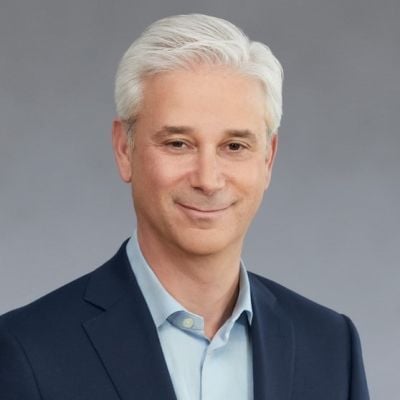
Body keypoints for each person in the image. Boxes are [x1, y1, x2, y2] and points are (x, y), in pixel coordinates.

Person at [0, 14, 369, 400]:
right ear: (125, 150)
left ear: (268, 159)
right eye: (178, 143)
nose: (207, 179)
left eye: (235, 146)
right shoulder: (26, 351)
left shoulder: (331, 346)